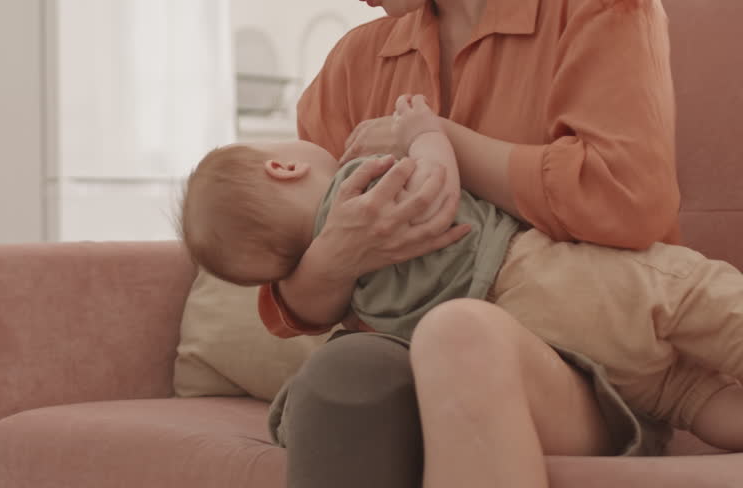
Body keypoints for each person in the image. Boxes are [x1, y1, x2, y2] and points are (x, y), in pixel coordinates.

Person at [256, 0, 741, 485]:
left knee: (455, 335)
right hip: (401, 360)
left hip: (594, 369)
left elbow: (625, 200)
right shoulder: (353, 65)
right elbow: (295, 292)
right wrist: (339, 252)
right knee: (346, 375)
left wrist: (444, 140)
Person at [179, 94, 743, 455]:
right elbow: (436, 183)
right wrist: (424, 134)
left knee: (688, 397)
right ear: (283, 167)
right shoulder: (361, 188)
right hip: (552, 282)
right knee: (701, 298)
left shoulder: (363, 300)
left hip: (545, 350)